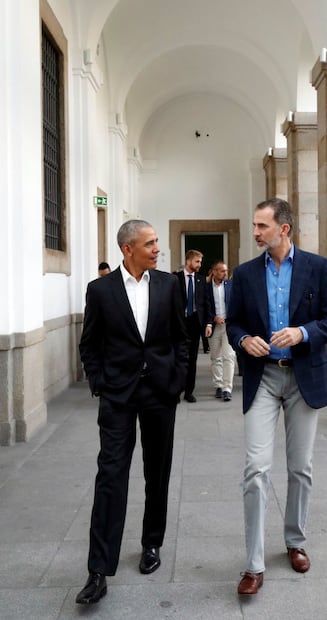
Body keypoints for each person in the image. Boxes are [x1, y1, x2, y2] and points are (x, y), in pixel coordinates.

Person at [226, 198, 327, 596]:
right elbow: (234, 323)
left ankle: (295, 541)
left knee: (300, 468)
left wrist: (303, 333)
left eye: (262, 226)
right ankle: (253, 564)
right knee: (256, 469)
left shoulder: (318, 267)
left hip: (303, 378)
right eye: (255, 225)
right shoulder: (244, 275)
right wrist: (244, 340)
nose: (256, 232)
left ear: (284, 229)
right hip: (263, 380)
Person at [76, 220, 189, 605]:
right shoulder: (100, 291)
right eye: (150, 243)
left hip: (160, 392)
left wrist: (176, 381)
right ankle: (97, 570)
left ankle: (151, 544)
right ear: (128, 249)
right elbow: (89, 343)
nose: (158, 249)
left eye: (157, 242)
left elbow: (180, 337)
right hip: (118, 396)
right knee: (111, 475)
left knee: (157, 473)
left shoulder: (169, 285)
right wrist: (101, 384)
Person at [175, 249, 213, 402]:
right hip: (179, 323)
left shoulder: (201, 280)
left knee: (192, 359)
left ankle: (189, 391)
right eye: (197, 261)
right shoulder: (175, 279)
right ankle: (176, 390)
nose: (199, 265)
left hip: (195, 323)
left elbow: (206, 303)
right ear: (188, 261)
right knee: (178, 358)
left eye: (200, 262)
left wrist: (208, 323)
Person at [206, 260, 235, 401]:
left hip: (228, 326)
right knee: (215, 356)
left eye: (226, 270)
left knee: (228, 356)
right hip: (214, 326)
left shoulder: (231, 286)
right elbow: (204, 307)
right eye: (222, 271)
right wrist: (212, 319)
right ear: (214, 272)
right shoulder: (206, 287)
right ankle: (218, 385)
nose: (225, 273)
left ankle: (227, 388)